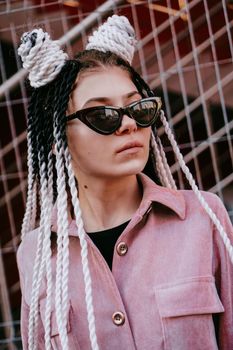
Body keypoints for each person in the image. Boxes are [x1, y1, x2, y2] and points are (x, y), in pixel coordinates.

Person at [16, 15, 233, 350]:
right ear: (60, 140)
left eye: (138, 108)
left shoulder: (203, 218)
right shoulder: (37, 253)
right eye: (103, 115)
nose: (129, 125)